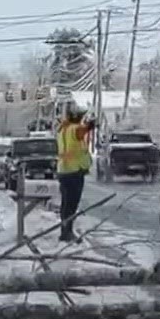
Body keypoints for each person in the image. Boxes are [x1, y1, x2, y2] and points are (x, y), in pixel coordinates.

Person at [54, 102, 96, 242]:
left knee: (65, 203)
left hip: (63, 170)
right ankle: (67, 232)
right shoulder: (75, 129)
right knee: (72, 204)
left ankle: (64, 230)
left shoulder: (62, 129)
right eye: (81, 117)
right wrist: (91, 125)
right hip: (74, 171)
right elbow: (82, 131)